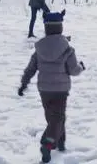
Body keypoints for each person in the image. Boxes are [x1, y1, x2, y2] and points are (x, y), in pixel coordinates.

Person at [18, 10, 85, 163]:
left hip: (44, 90)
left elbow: (30, 69)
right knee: (57, 118)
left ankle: (60, 142)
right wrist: (81, 66)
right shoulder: (67, 49)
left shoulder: (39, 50)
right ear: (60, 28)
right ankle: (48, 144)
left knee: (54, 117)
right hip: (61, 91)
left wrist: (24, 83)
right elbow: (74, 70)